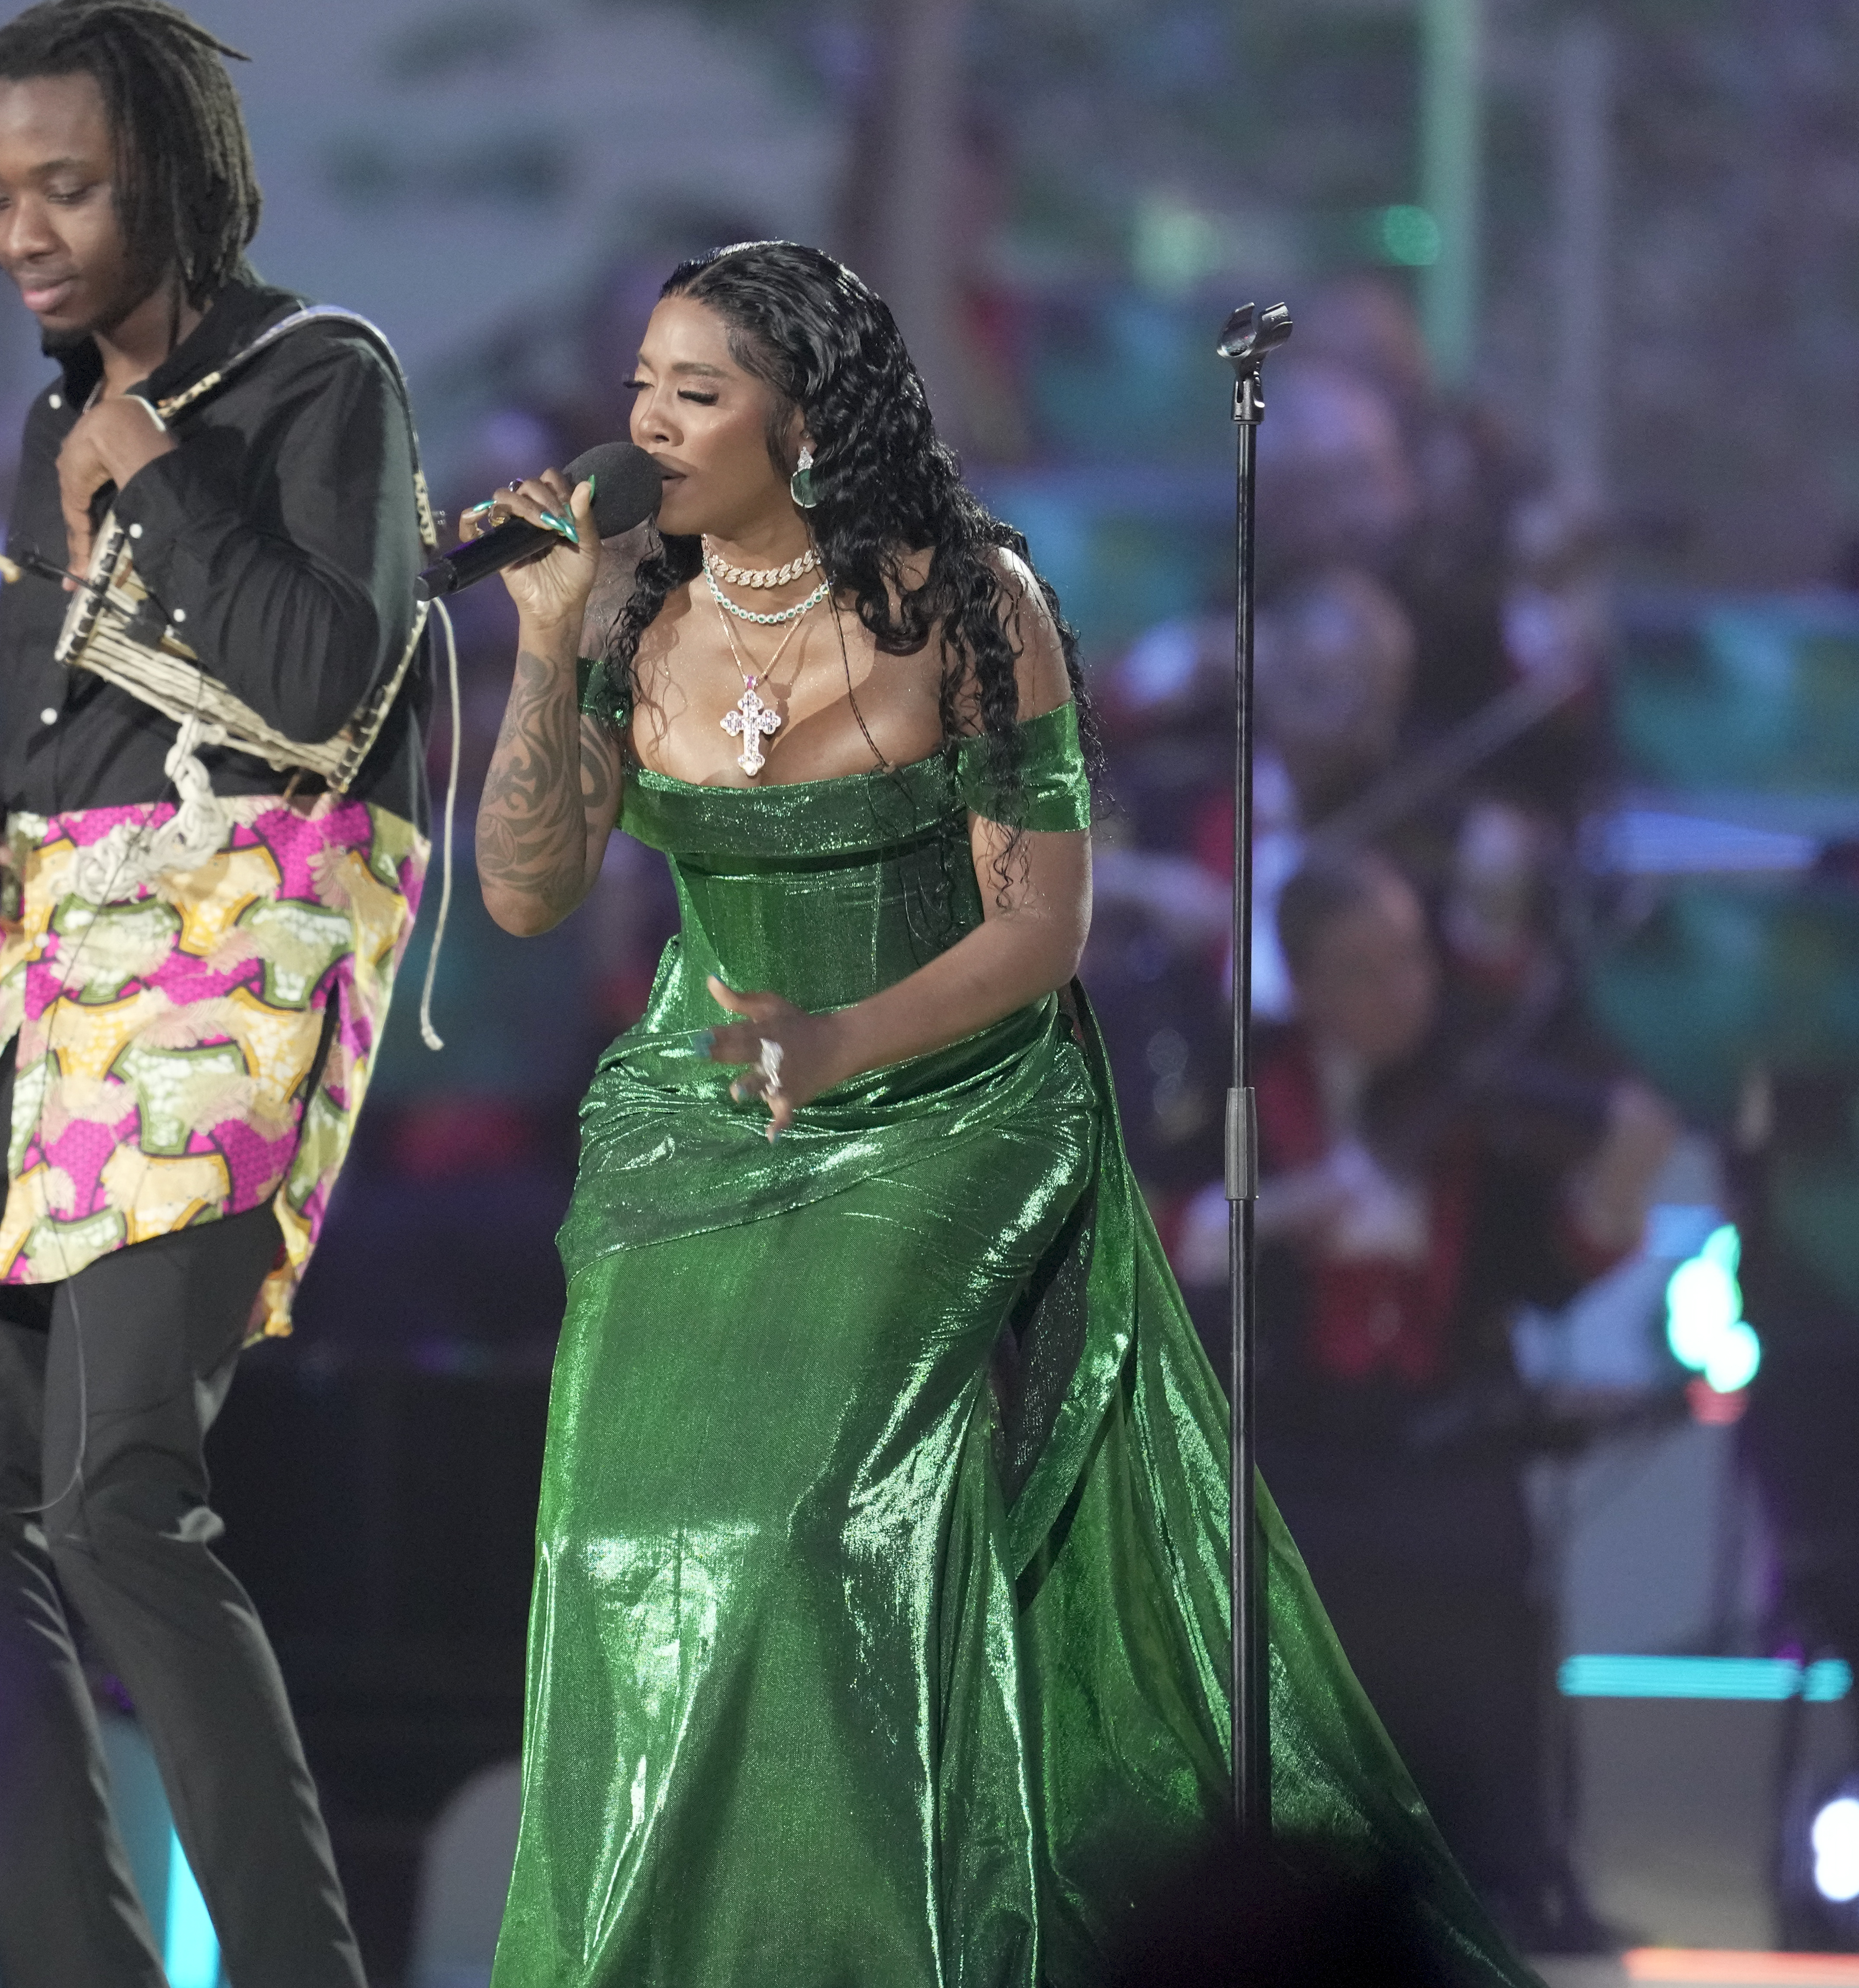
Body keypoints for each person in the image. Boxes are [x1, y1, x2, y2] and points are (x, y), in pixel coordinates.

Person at [465, 241, 1533, 1987]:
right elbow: (523, 893)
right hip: (703, 1104)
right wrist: (539, 638)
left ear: (802, 420)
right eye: (641, 384)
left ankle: (870, 1946)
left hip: (949, 1093)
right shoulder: (627, 600)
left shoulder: (971, 601)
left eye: (695, 391)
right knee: (615, 1540)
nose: (644, 422)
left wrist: (843, 1044)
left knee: (813, 1526)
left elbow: (1042, 925)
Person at [0, 6, 431, 1984]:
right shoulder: (50, 427)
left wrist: (163, 486)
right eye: (0, 192)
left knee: (116, 1499)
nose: (25, 230)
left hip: (218, 961)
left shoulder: (317, 376)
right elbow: (59, 736)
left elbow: (325, 679)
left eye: (69, 186)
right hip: (47, 955)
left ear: (169, 178)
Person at [1172, 847, 1670, 1948]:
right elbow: (1172, 1228)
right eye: (1361, 969)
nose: (1400, 992)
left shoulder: (1478, 1090)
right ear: (1301, 987)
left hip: (1438, 1438)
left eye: (1410, 960)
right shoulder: (1240, 1079)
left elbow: (1543, 1262)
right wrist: (1289, 1207)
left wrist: (1617, 1185)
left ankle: (1507, 1872)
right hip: (1298, 1441)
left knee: (1482, 1554)